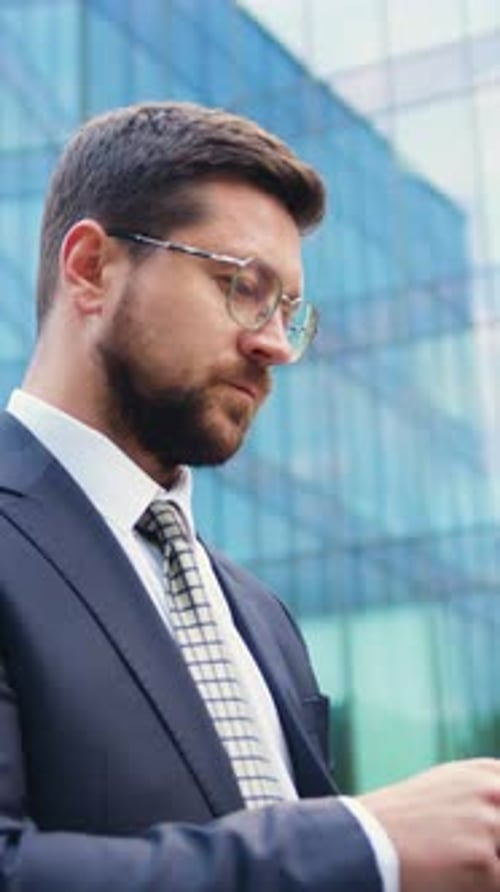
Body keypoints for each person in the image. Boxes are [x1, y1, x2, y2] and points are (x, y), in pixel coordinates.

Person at [0, 101, 500, 892]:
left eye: (289, 312)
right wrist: (367, 843)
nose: (273, 344)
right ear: (92, 268)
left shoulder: (259, 614)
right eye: (242, 286)